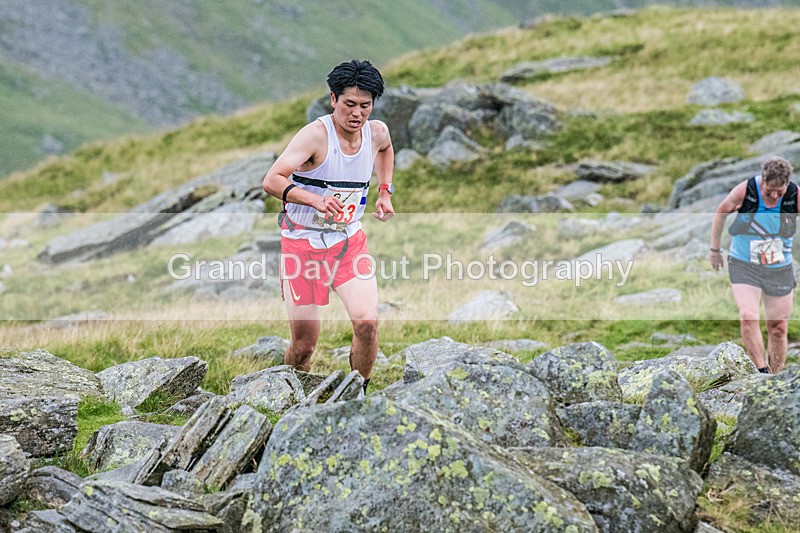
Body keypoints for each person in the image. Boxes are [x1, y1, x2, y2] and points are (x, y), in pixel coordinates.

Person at [262, 60, 394, 394]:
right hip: (303, 245)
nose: (357, 114)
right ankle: (286, 395)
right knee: (304, 345)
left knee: (367, 323)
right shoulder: (315, 136)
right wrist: (313, 200)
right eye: (349, 104)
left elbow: (386, 149)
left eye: (365, 106)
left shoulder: (376, 132)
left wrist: (384, 191)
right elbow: (272, 180)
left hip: (348, 243)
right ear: (333, 99)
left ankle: (358, 395)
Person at [709, 156, 797, 374]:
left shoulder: (795, 195)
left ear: (787, 184)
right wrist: (715, 250)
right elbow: (721, 211)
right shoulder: (746, 191)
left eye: (780, 191)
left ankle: (776, 380)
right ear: (763, 181)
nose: (774, 196)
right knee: (748, 317)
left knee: (778, 327)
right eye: (769, 191)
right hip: (744, 263)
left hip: (779, 268)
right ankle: (760, 374)